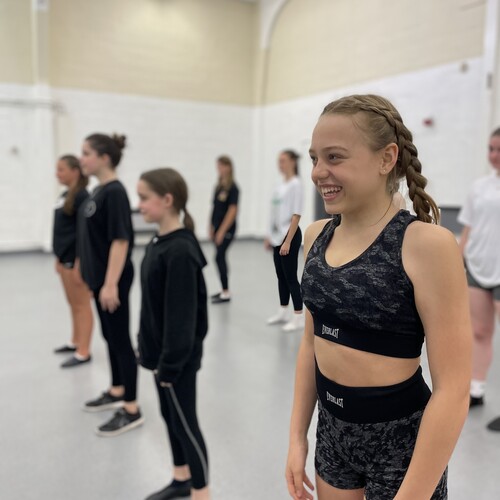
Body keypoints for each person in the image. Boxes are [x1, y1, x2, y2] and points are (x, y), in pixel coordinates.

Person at [286, 94, 471, 500]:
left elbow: (454, 389)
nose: (318, 172)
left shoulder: (426, 245)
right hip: (332, 434)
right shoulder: (316, 237)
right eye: (314, 158)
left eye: (334, 157)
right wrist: (298, 437)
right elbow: (311, 345)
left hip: (401, 445)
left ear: (386, 158)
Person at [137, 168, 210, 500]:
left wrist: (169, 365)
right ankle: (181, 478)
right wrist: (146, 347)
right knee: (170, 417)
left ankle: (202, 492)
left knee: (185, 424)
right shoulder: (158, 242)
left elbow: (183, 320)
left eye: (144, 198)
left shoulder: (180, 250)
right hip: (161, 357)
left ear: (167, 200)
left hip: (176, 361)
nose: (139, 205)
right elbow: (152, 306)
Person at [78, 133, 143, 436]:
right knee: (109, 335)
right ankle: (117, 389)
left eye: (86, 153)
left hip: (112, 279)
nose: (82, 159)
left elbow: (120, 240)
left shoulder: (115, 192)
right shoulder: (98, 190)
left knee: (119, 339)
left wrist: (110, 284)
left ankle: (131, 408)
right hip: (99, 279)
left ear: (104, 158)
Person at [458, 127, 500, 425]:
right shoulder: (480, 187)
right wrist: (457, 261)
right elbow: (468, 229)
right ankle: (477, 390)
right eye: (491, 149)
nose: (494, 155)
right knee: (481, 332)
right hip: (477, 266)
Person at [52, 155, 93, 368]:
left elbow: (84, 232)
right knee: (73, 303)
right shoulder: (66, 195)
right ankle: (75, 341)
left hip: (76, 260)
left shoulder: (82, 196)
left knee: (82, 305)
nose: (57, 174)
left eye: (61, 170)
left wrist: (80, 261)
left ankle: (83, 351)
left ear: (75, 171)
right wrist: (59, 257)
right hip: (65, 258)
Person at [266, 150, 304, 332]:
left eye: (283, 161)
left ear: (292, 162)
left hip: (290, 235)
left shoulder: (296, 184)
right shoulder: (280, 185)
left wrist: (287, 241)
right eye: (279, 161)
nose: (280, 164)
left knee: (290, 277)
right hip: (277, 236)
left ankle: (298, 316)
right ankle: (282, 312)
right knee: (280, 276)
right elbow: (273, 212)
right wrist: (269, 235)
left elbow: (296, 215)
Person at [209, 155, 239, 304]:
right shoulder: (219, 186)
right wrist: (211, 226)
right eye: (218, 166)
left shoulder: (233, 188)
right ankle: (224, 290)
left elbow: (232, 211)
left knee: (219, 257)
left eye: (221, 166)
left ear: (229, 167)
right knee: (220, 257)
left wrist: (221, 231)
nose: (219, 169)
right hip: (217, 228)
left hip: (227, 230)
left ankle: (226, 292)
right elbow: (214, 208)